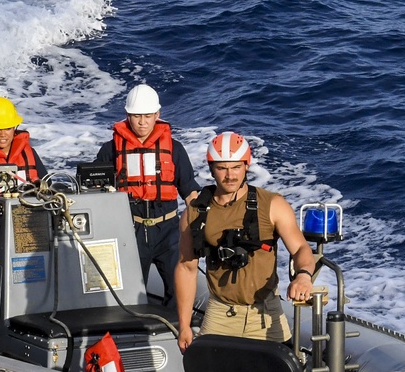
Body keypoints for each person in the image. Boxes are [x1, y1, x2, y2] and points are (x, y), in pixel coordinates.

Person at [174, 131, 317, 353]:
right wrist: (184, 326)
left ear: (247, 165)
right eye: (222, 168)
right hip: (220, 313)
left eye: (236, 167)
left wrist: (303, 276)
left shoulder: (272, 204)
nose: (229, 175)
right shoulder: (195, 212)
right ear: (211, 168)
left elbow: (300, 249)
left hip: (265, 314)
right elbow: (186, 268)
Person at [93, 84, 200, 305]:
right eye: (136, 116)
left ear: (157, 115)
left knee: (178, 289)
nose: (142, 121)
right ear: (127, 116)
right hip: (130, 231)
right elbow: (94, 191)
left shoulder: (175, 149)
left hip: (169, 232)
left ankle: (178, 332)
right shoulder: (110, 150)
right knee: (129, 295)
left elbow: (189, 191)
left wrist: (202, 226)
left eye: (148, 116)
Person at [0, 96, 48, 190]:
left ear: (15, 127)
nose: (3, 134)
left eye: (8, 128)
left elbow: (47, 186)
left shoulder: (29, 153)